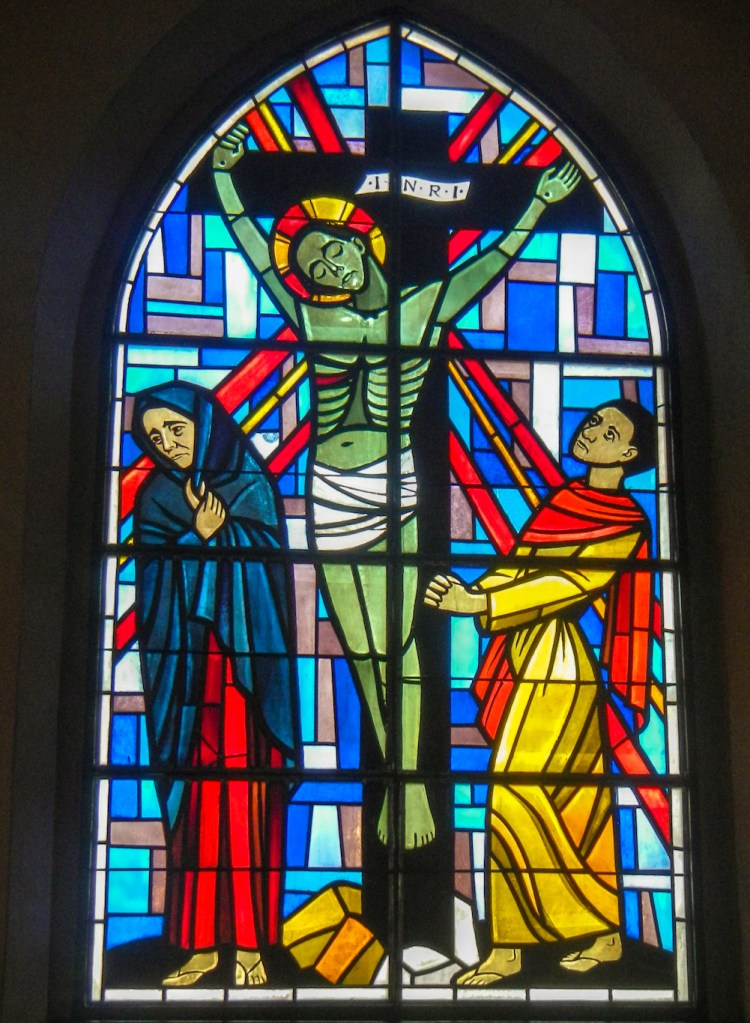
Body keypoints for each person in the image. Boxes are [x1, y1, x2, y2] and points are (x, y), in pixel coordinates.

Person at [212, 123, 580, 847]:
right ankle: (396, 774)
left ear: (361, 245)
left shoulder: (422, 306)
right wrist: (225, 180)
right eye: (313, 263)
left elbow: (490, 263)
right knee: (359, 648)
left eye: (333, 250)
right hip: (329, 486)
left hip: (391, 482)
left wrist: (536, 204)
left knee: (400, 642)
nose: (327, 265)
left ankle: (409, 786)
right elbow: (254, 250)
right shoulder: (310, 315)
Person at [424, 401, 655, 983]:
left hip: (559, 663)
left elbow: (569, 582)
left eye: (609, 431)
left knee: (515, 791)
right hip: (525, 649)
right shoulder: (564, 500)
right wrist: (477, 592)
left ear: (629, 456)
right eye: (593, 421)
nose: (591, 430)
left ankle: (509, 948)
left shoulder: (627, 520)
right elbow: (521, 564)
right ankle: (604, 932)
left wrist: (483, 603)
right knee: (579, 801)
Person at [131, 382, 297, 987]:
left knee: (247, 804)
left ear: (204, 424)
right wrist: (199, 538)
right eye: (155, 437)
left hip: (245, 683)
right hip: (188, 680)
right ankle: (198, 945)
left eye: (176, 429)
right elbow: (153, 591)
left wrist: (224, 536)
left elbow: (270, 587)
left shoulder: (251, 486)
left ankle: (251, 945)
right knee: (198, 808)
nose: (167, 444)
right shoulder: (155, 498)